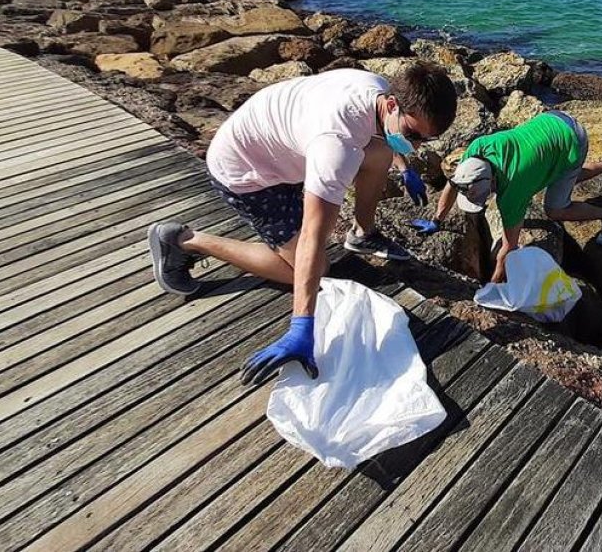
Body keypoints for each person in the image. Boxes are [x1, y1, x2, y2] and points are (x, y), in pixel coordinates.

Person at [148, 64, 457, 384]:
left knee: (379, 152)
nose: (419, 145)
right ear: (392, 104)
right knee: (314, 269)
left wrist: (403, 164)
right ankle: (185, 240)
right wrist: (302, 326)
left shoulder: (377, 88)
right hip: (248, 174)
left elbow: (385, 136)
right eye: (413, 136)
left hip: (281, 148)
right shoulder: (336, 144)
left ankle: (363, 234)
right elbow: (313, 233)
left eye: (428, 139)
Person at [414, 110, 602, 284]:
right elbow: (453, 183)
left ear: (492, 184)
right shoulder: (476, 151)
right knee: (568, 174)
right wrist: (436, 221)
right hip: (551, 120)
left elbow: (509, 247)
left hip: (573, 138)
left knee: (554, 209)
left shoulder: (513, 191)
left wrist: (495, 283)